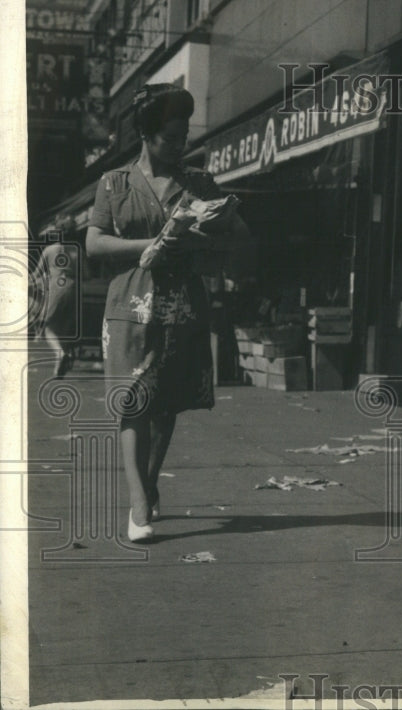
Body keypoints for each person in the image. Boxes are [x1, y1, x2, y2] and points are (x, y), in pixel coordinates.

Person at [86, 83, 250, 543]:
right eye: (170, 138)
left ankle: (152, 480)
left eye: (183, 138)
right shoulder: (113, 183)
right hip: (129, 304)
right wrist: (149, 244)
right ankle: (139, 504)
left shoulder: (198, 181)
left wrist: (206, 237)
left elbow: (239, 234)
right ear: (146, 134)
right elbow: (94, 242)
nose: (179, 146)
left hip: (181, 304)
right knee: (132, 400)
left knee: (166, 403)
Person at [36, 214, 80, 377]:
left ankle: (59, 353)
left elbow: (37, 273)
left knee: (49, 327)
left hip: (57, 286)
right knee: (65, 327)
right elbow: (87, 274)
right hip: (74, 287)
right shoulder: (76, 251)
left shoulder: (50, 250)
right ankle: (60, 367)